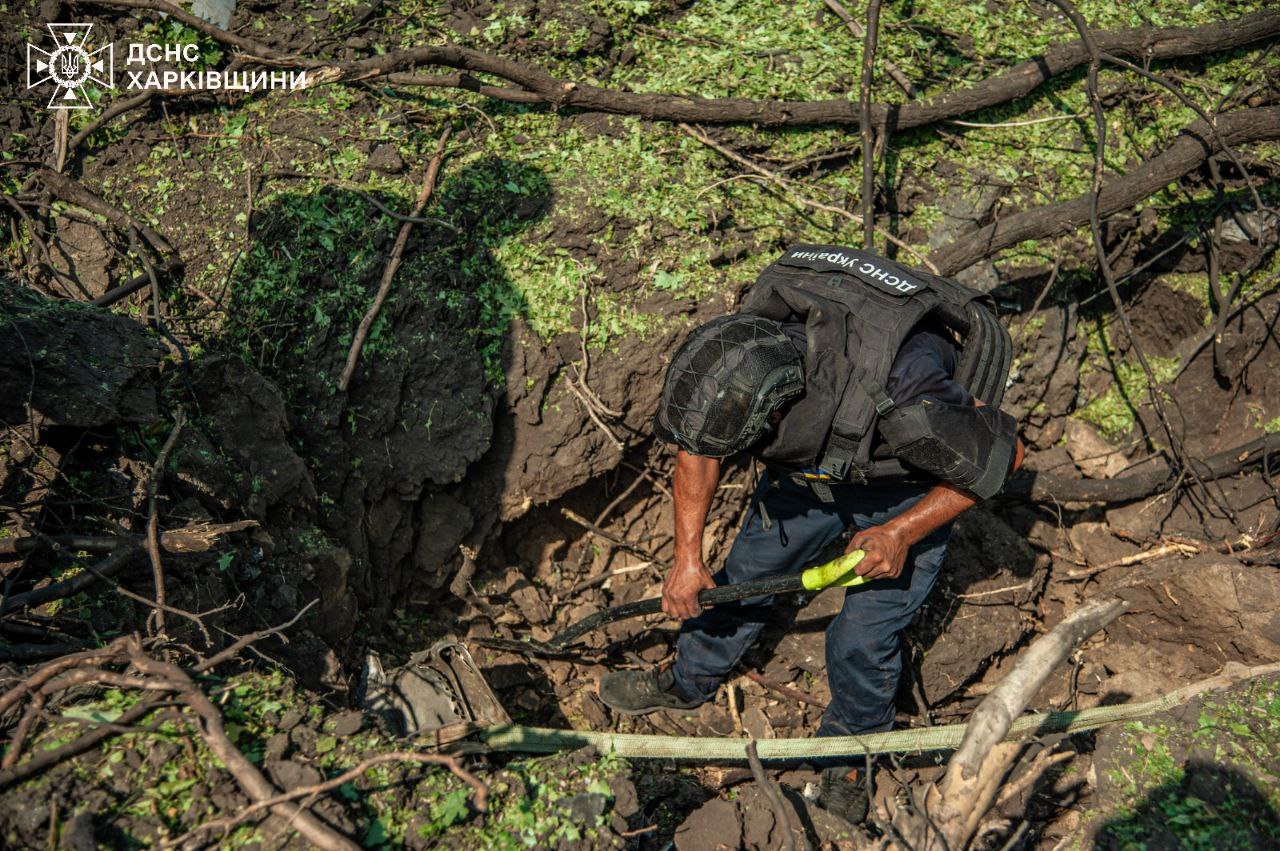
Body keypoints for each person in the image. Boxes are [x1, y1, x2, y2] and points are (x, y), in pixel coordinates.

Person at [598, 244, 1025, 824]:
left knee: (860, 638)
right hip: (809, 476)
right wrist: (687, 558)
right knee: (743, 579)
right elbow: (696, 452)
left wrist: (899, 533)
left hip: (901, 486)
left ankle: (849, 754)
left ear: (773, 415)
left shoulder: (906, 387)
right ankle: (687, 678)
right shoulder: (741, 351)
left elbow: (1007, 458)